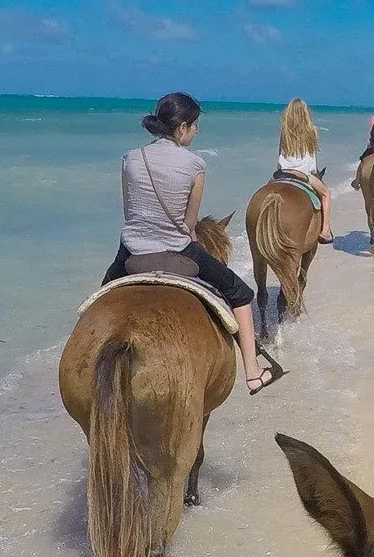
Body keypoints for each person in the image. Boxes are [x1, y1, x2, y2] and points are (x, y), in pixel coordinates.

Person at [104, 93, 283, 395]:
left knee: (98, 300)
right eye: (195, 125)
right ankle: (253, 373)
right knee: (241, 294)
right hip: (178, 250)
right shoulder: (194, 165)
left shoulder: (130, 158)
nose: (197, 130)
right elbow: (189, 224)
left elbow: (129, 213)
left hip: (132, 251)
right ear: (182, 127)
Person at [274, 98, 334, 243]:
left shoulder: (285, 131)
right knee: (326, 194)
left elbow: (280, 153)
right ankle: (325, 231)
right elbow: (313, 158)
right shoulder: (312, 130)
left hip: (283, 173)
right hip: (303, 174)